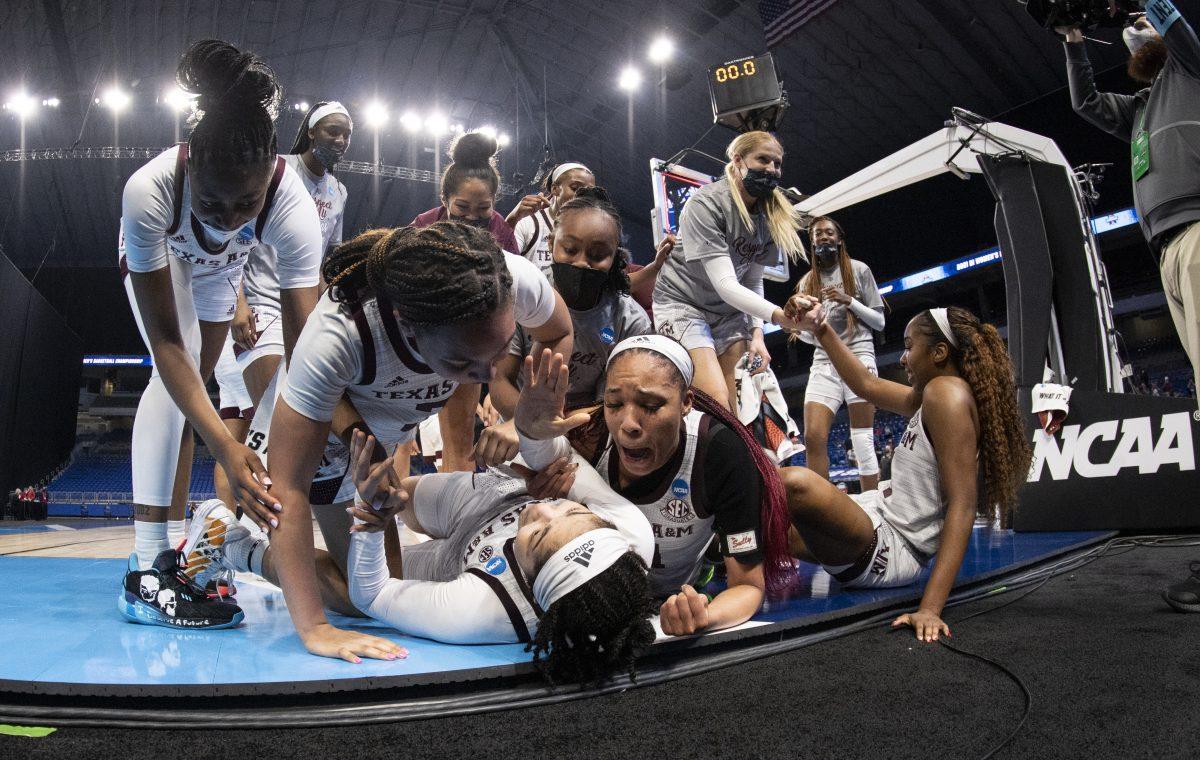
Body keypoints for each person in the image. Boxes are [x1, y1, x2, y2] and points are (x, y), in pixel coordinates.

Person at [187, 222, 573, 661]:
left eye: (500, 350)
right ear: (408, 326)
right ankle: (237, 545)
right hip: (327, 441)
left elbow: (557, 331)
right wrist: (315, 629)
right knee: (362, 600)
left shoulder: (506, 280)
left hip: (379, 431)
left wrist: (528, 407)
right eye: (463, 361)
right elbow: (288, 489)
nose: (488, 376)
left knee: (385, 582)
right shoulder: (338, 336)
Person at [117, 39, 323, 629]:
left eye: (246, 203)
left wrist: (270, 447)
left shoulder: (292, 205)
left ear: (268, 186)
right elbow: (168, 346)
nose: (230, 215)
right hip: (166, 258)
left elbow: (307, 346)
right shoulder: (148, 191)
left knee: (203, 391)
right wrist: (227, 449)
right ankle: (147, 566)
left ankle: (176, 551)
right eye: (213, 199)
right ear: (191, 167)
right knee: (172, 377)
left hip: (220, 271)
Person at [343, 350, 657, 683]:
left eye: (538, 534)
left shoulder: (483, 612)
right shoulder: (631, 532)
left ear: (531, 584)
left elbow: (373, 595)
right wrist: (534, 433)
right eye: (571, 510)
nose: (541, 507)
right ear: (602, 522)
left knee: (348, 579)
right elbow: (563, 458)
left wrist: (372, 517)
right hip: (498, 499)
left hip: (464, 566)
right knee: (403, 494)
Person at [1061, 1, 1200, 612]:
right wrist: (1071, 40)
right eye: (1129, 33)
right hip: (1170, 249)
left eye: (1144, 29)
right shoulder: (1142, 108)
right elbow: (1085, 103)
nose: (1134, 38)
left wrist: (1151, 6)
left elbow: (1182, 35)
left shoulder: (1191, 72)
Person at [515, 336, 795, 637]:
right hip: (597, 595)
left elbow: (748, 586)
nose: (628, 424)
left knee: (797, 484)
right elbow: (531, 458)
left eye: (650, 406)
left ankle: (711, 560)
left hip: (678, 588)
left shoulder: (720, 451)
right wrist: (522, 435)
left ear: (686, 402)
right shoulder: (586, 433)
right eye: (614, 404)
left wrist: (701, 616)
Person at [784, 301, 1030, 642]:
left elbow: (963, 504)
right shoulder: (934, 394)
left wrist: (930, 608)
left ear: (940, 352)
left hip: (892, 547)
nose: (902, 358)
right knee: (774, 534)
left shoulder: (947, 395)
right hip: (878, 522)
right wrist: (822, 328)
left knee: (794, 483)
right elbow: (866, 387)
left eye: (909, 346)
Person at [485, 186, 652, 454]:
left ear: (615, 257)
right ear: (551, 243)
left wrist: (562, 429)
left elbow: (615, 402)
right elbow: (500, 379)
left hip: (589, 429)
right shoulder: (526, 297)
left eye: (598, 256)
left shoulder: (629, 320)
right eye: (570, 249)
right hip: (520, 423)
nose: (582, 263)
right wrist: (524, 424)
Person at [652, 130, 806, 411]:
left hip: (727, 312)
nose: (772, 169)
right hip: (683, 303)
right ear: (738, 160)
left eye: (777, 163)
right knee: (716, 401)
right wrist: (780, 317)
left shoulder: (770, 216)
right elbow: (725, 282)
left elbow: (753, 281)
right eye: (763, 160)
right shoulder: (706, 203)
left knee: (741, 407)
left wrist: (758, 334)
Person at [411, 132, 522, 472]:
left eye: (482, 210)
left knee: (458, 446)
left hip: (474, 343)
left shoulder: (501, 232)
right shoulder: (423, 227)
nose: (472, 218)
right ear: (445, 200)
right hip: (425, 339)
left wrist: (489, 385)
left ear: (494, 205)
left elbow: (507, 313)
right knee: (406, 441)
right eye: (462, 208)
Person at [793, 217, 885, 492]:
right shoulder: (806, 283)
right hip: (824, 361)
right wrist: (804, 322)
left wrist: (850, 301)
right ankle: (824, 510)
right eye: (817, 233)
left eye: (828, 232)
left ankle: (872, 507)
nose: (823, 236)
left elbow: (879, 322)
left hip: (859, 355)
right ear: (812, 241)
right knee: (813, 436)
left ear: (839, 239)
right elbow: (807, 336)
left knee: (862, 439)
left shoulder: (859, 270)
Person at [508, 161, 596, 273]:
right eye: (575, 188)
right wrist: (512, 219)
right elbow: (503, 260)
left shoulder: (592, 230)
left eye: (589, 192)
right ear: (555, 189)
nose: (582, 196)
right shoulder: (529, 223)